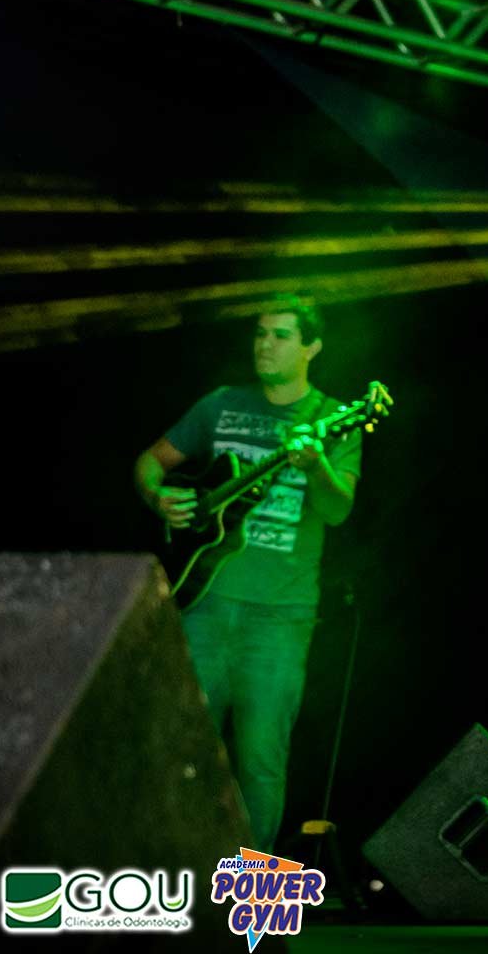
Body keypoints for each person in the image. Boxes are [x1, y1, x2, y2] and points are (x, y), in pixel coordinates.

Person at [133, 295, 361, 852]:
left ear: (312, 347)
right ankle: (178, 870)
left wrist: (317, 466)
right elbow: (149, 461)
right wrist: (158, 496)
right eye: (260, 333)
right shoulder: (221, 404)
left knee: (260, 760)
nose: (265, 345)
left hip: (279, 617)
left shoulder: (332, 420)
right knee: (181, 747)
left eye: (281, 335)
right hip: (204, 605)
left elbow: (338, 510)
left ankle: (249, 890)